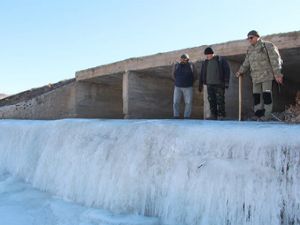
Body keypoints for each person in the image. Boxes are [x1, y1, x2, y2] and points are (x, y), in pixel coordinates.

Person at [236, 30, 283, 120]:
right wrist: (240, 71)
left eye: (251, 38)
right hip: (255, 77)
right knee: (256, 97)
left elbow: (275, 60)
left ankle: (266, 116)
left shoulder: (267, 45)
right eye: (248, 38)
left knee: (267, 96)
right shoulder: (250, 49)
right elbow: (247, 62)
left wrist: (278, 74)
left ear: (257, 37)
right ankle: (258, 115)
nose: (249, 40)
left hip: (267, 76)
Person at [199, 47, 230, 120]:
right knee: (211, 100)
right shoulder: (205, 62)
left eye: (208, 54)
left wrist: (226, 82)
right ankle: (213, 115)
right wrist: (200, 85)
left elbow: (227, 71)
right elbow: (202, 73)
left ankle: (221, 115)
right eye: (206, 55)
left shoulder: (220, 60)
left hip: (219, 84)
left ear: (212, 54)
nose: (207, 56)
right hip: (209, 84)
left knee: (220, 100)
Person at [172, 54, 195, 119]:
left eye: (184, 58)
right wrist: (177, 81)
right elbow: (173, 74)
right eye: (182, 58)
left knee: (188, 102)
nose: (183, 59)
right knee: (175, 102)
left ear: (187, 59)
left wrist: (190, 82)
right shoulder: (176, 65)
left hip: (188, 87)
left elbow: (195, 75)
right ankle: (176, 116)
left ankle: (186, 117)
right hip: (177, 86)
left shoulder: (191, 65)